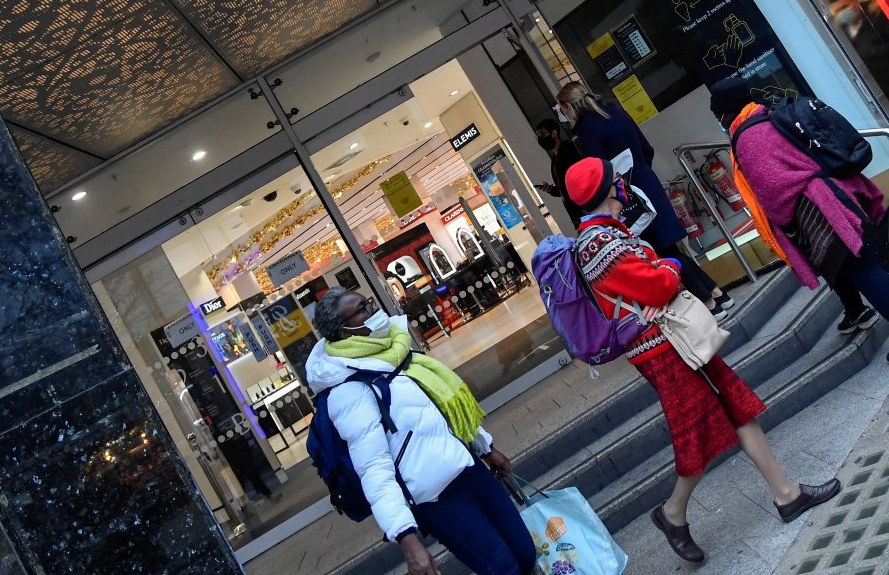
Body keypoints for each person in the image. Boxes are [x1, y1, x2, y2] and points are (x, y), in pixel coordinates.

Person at [562, 156, 840, 562]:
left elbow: (654, 277)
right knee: (700, 430)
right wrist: (669, 268)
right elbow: (657, 284)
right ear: (606, 189)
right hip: (662, 349)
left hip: (675, 338)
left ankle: (787, 494)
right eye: (615, 178)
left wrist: (662, 272)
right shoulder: (598, 243)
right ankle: (673, 512)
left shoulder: (609, 234)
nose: (622, 182)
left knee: (735, 407)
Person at [706, 79, 889, 369]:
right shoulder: (764, 116)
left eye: (717, 114)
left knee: (864, 269)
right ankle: (856, 311)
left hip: (819, 209)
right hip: (828, 199)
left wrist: (786, 226)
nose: (718, 120)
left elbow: (773, 190)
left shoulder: (748, 139)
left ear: (725, 112)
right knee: (840, 265)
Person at [307, 288, 534, 575]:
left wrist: (485, 447)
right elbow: (373, 469)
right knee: (504, 568)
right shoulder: (348, 391)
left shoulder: (396, 353)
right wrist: (406, 538)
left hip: (469, 469)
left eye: (369, 303)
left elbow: (444, 409)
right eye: (362, 309)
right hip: (436, 498)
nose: (373, 311)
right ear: (343, 332)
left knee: (525, 553)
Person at [556, 82, 732, 316]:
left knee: (661, 252)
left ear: (569, 107)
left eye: (562, 109)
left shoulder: (587, 131)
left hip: (627, 197)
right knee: (669, 246)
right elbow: (646, 148)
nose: (563, 114)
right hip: (647, 181)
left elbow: (600, 174)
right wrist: (639, 173)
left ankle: (709, 301)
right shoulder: (616, 112)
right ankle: (716, 292)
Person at [533, 117, 583, 223]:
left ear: (554, 133)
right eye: (538, 135)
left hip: (584, 208)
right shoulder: (555, 160)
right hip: (576, 214)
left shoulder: (569, 151)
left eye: (542, 134)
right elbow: (564, 190)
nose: (540, 138)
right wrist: (551, 190)